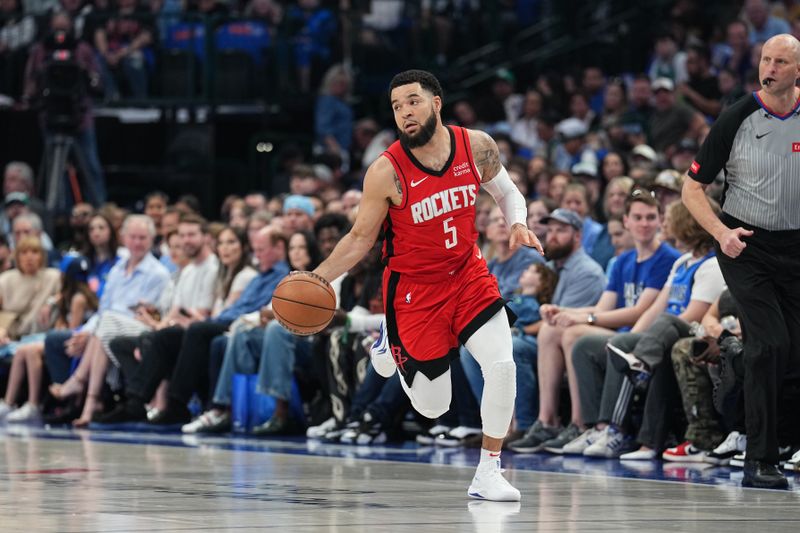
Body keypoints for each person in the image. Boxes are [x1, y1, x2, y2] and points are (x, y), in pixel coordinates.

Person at [312, 70, 543, 502]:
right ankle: (389, 341)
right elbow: (361, 237)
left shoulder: (476, 145)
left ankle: (488, 471)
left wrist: (517, 223)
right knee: (433, 405)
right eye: (397, 106)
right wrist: (318, 277)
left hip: (469, 274)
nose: (405, 112)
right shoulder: (385, 170)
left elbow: (507, 190)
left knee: (502, 365)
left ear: (436, 102)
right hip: (415, 291)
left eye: (413, 101)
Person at [682, 33, 800, 490]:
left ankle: (786, 442)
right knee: (769, 345)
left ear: (797, 71)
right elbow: (692, 188)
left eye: (781, 62)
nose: (769, 68)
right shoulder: (737, 117)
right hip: (745, 246)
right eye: (765, 59)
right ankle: (759, 458)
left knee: (792, 350)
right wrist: (720, 233)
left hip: (795, 248)